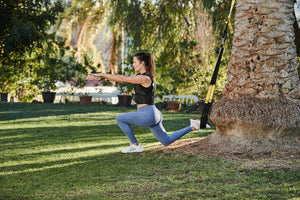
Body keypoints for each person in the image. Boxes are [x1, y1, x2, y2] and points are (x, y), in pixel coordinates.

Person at [89, 52, 202, 153]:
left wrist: (103, 75)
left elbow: (121, 78)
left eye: (135, 62)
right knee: (166, 141)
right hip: (153, 113)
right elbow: (123, 78)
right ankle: (193, 126)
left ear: (142, 63)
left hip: (148, 114)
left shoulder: (144, 78)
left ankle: (135, 145)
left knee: (120, 118)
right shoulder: (142, 77)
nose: (133, 65)